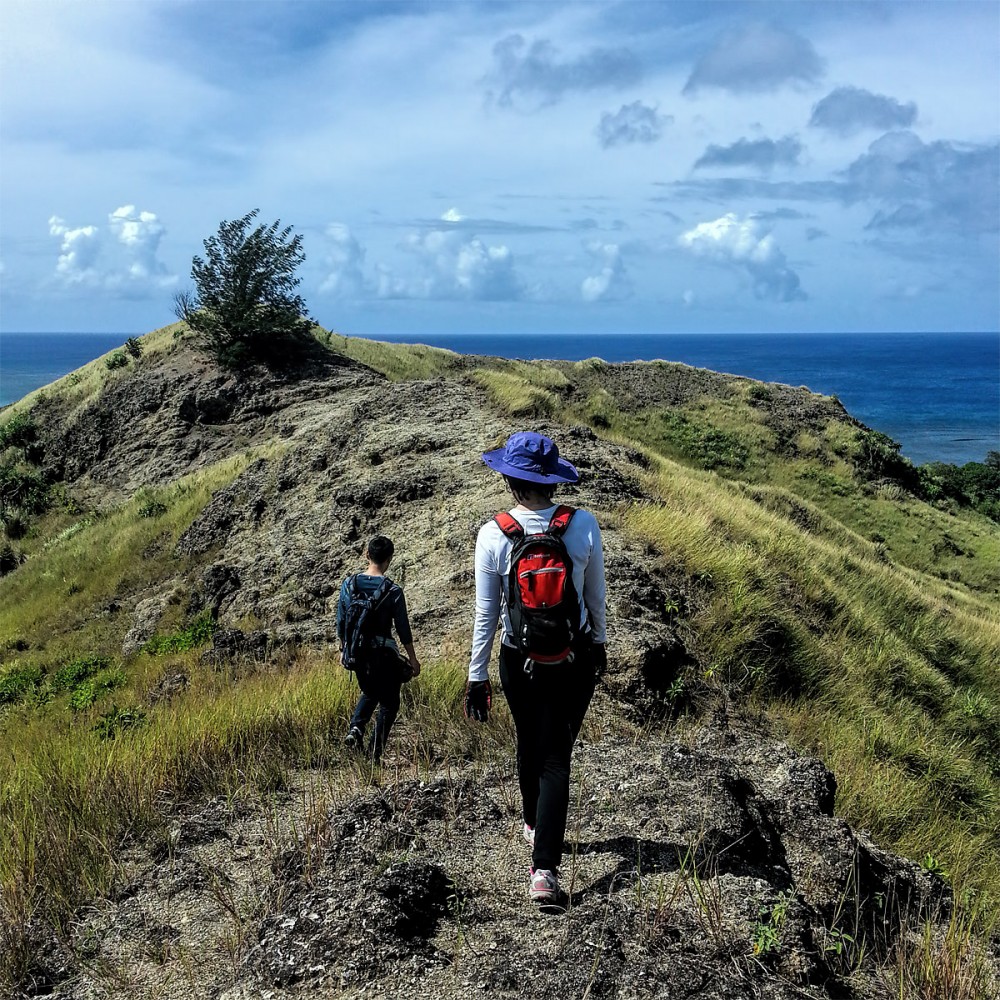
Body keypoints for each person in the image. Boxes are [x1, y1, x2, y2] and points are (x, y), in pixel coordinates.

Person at [465, 431, 607, 905]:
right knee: (556, 755)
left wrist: (476, 673)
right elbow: (595, 600)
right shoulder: (582, 525)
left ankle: (533, 824)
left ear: (510, 479)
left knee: (531, 741)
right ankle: (543, 870)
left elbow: (487, 614)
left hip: (516, 658)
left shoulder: (494, 533)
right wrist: (600, 645)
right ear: (551, 479)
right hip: (573, 657)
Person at [337, 535, 420, 763]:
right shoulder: (392, 591)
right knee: (390, 703)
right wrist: (412, 659)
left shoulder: (349, 585)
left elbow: (341, 623)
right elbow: (403, 629)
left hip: (357, 654)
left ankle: (356, 729)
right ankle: (373, 755)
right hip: (383, 654)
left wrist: (345, 649)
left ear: (367, 554)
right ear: (389, 559)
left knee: (371, 691)